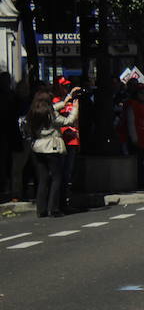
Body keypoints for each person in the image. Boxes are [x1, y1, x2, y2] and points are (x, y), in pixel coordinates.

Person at [27, 86, 81, 217]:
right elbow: (68, 121)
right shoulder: (51, 114)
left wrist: (65, 100)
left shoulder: (34, 111)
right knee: (57, 178)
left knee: (43, 179)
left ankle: (41, 209)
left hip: (38, 147)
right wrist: (75, 109)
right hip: (51, 147)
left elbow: (52, 108)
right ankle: (54, 208)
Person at [49, 77, 80, 210]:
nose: (66, 88)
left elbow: (76, 121)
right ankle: (58, 203)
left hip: (73, 139)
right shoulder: (56, 102)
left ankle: (65, 201)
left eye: (67, 86)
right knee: (60, 173)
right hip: (61, 140)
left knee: (68, 173)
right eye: (63, 86)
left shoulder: (72, 101)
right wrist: (68, 98)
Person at [125, 82, 144, 188]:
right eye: (140, 92)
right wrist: (134, 138)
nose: (143, 95)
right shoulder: (132, 105)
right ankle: (139, 181)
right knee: (138, 161)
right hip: (138, 138)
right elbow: (131, 122)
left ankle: (143, 179)